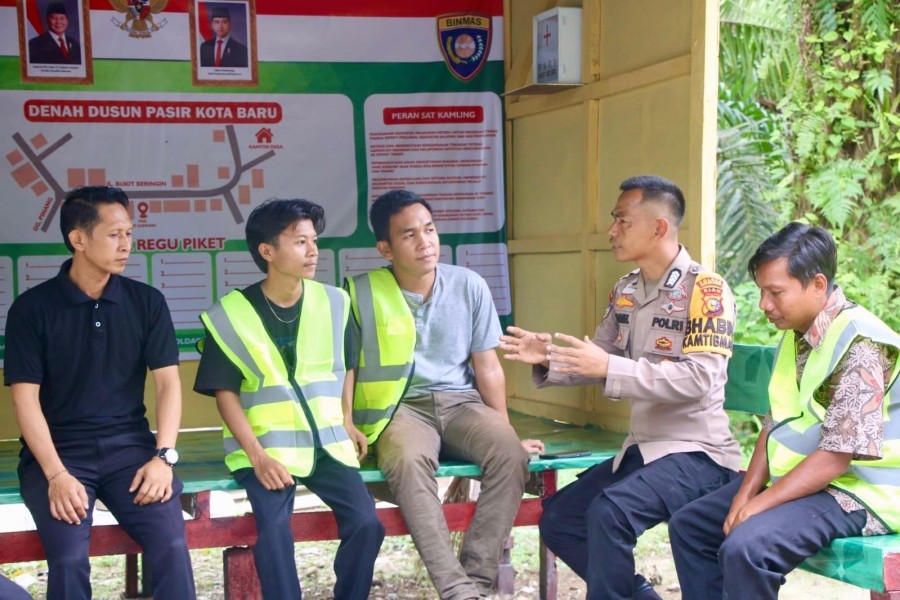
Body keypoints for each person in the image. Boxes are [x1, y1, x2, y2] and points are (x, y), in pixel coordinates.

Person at [500, 175, 742, 600]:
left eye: (622, 221)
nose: (611, 231)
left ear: (659, 227)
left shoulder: (707, 290)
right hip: (643, 451)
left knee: (610, 512)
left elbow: (701, 379)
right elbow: (599, 358)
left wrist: (610, 365)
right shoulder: (626, 289)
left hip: (699, 454)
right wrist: (549, 356)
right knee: (561, 519)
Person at [668, 222, 900, 600]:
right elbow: (773, 424)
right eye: (762, 292)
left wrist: (759, 504)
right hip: (811, 482)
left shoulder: (861, 344)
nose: (764, 305)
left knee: (748, 548)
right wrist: (745, 494)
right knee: (690, 525)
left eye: (775, 292)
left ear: (818, 285)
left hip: (862, 492)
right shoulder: (796, 337)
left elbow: (836, 458)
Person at [345, 189, 543, 600]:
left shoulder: (469, 285)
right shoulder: (359, 293)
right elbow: (347, 368)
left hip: (460, 403)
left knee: (510, 454)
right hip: (399, 409)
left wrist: (504, 431)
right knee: (409, 461)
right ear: (385, 248)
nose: (425, 242)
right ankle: (457, 591)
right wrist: (347, 422)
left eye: (430, 230)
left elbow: (487, 366)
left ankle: (478, 583)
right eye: (409, 235)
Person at [4, 186, 195, 599]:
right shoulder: (32, 309)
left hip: (131, 449)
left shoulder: (147, 302)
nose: (126, 245)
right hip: (57, 454)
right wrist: (55, 475)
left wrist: (163, 457)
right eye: (114, 235)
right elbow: (25, 399)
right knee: (70, 557)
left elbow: (168, 383)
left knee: (172, 543)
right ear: (78, 239)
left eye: (129, 233)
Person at [194, 199, 384, 600]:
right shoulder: (230, 314)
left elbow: (346, 365)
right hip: (265, 450)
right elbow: (224, 393)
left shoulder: (334, 302)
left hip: (328, 444)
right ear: (267, 251)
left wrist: (347, 419)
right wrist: (258, 456)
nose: (313, 250)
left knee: (368, 522)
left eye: (314, 240)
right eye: (300, 242)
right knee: (275, 530)